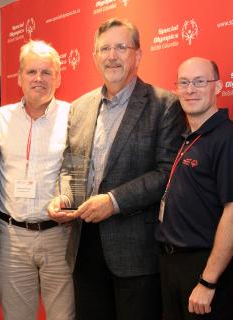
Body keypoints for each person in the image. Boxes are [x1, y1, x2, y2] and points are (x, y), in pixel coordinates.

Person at [47, 18, 185, 320]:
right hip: (84, 249)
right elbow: (71, 165)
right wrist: (63, 197)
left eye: (121, 47)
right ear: (95, 56)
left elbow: (166, 174)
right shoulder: (79, 107)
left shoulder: (164, 105)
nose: (112, 55)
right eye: (105, 48)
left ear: (138, 55)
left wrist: (113, 201)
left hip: (136, 255)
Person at [155, 57, 233, 319]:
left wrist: (208, 282)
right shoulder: (189, 136)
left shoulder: (229, 139)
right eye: (184, 82)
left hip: (203, 268)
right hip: (172, 265)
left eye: (200, 82)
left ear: (218, 87)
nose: (190, 90)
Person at [0, 40, 74, 320]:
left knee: (63, 316)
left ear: (58, 77)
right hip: (11, 237)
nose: (39, 79)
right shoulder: (0, 119)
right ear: (19, 77)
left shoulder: (72, 116)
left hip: (58, 237)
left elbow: (78, 169)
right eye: (32, 72)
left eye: (47, 72)